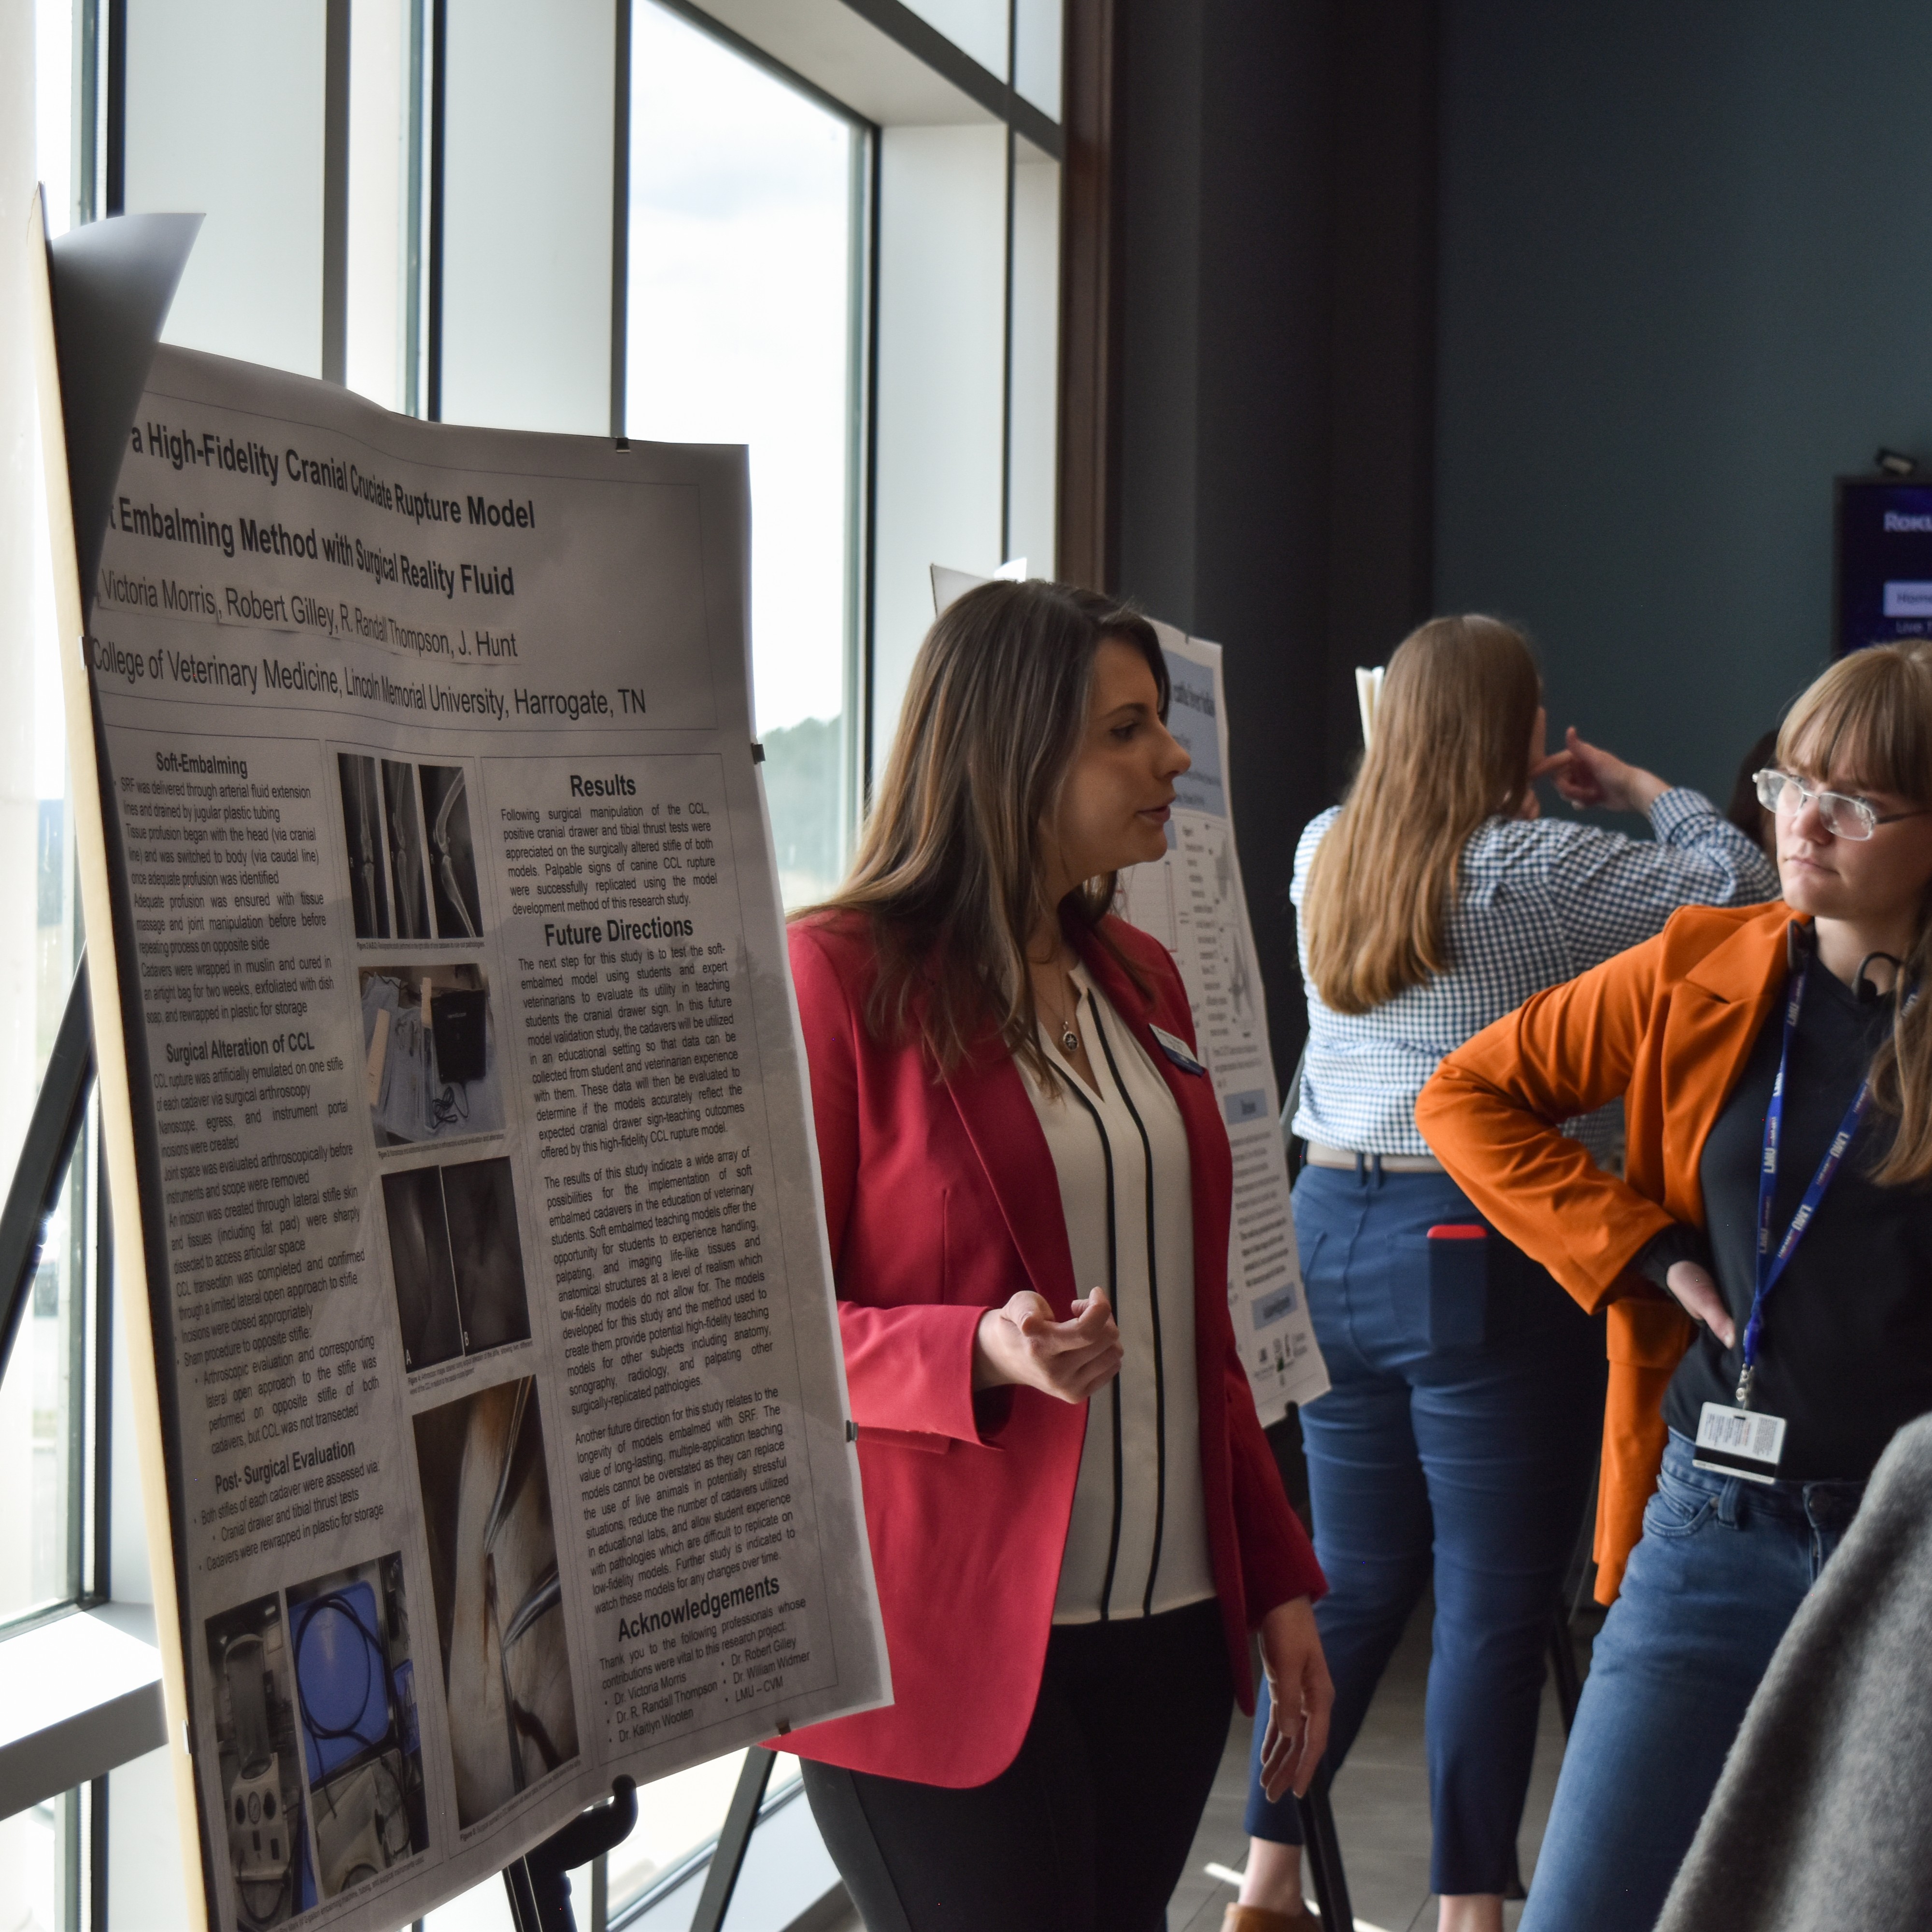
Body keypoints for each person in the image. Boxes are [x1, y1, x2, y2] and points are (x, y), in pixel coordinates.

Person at [779, 578, 1333, 1932]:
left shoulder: (1141, 976)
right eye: (1127, 730)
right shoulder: (834, 977)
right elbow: (760, 1331)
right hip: (943, 1640)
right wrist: (971, 1346)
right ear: (1011, 754)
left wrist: (1276, 1586)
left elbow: (1198, 1334)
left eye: (1162, 723)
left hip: (1163, 1632)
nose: (1176, 757)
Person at [1230, 615, 1778, 1932]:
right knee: (1491, 1595)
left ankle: (1267, 1881)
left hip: (1325, 1233)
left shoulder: (1324, 850)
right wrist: (1648, 791)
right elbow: (1748, 892)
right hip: (1472, 1246)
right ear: (1516, 733)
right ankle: (1471, 1910)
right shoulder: (1541, 869)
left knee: (1351, 1581)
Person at [1416, 639, 1932, 1932]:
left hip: (1910, 1550)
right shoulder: (1706, 963)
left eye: (1856, 804)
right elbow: (1467, 1095)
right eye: (1790, 783)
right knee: (1587, 1905)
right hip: (1717, 1524)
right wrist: (1640, 1248)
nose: (1802, 825)